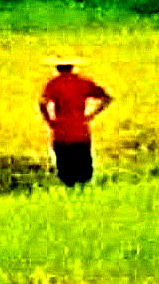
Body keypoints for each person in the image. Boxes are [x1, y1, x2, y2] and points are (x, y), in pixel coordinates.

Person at [38, 58, 113, 187]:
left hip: (61, 133)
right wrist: (92, 115)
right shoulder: (83, 82)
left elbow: (42, 103)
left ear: (57, 68)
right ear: (72, 67)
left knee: (66, 173)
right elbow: (107, 98)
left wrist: (50, 121)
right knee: (84, 173)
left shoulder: (53, 84)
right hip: (81, 132)